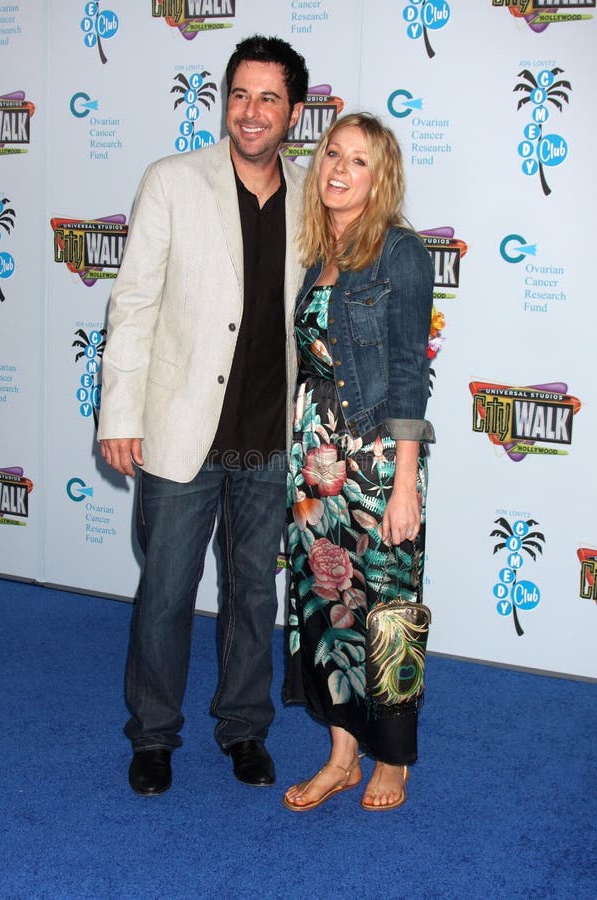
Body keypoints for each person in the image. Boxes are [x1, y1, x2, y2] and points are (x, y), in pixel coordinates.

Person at [97, 35, 309, 795]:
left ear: (294, 112)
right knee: (166, 593)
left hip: (268, 438)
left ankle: (244, 727)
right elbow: (133, 305)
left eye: (269, 99)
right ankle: (153, 735)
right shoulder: (173, 181)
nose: (251, 113)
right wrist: (119, 411)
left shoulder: (314, 196)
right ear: (226, 101)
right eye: (241, 95)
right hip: (181, 429)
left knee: (255, 594)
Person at [282, 113, 435, 811]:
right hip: (315, 463)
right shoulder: (320, 251)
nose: (339, 169)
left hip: (376, 457)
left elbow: (408, 370)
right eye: (332, 155)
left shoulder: (400, 251)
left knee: (388, 608)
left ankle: (394, 760)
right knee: (326, 603)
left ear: (382, 178)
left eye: (359, 161)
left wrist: (405, 482)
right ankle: (343, 753)